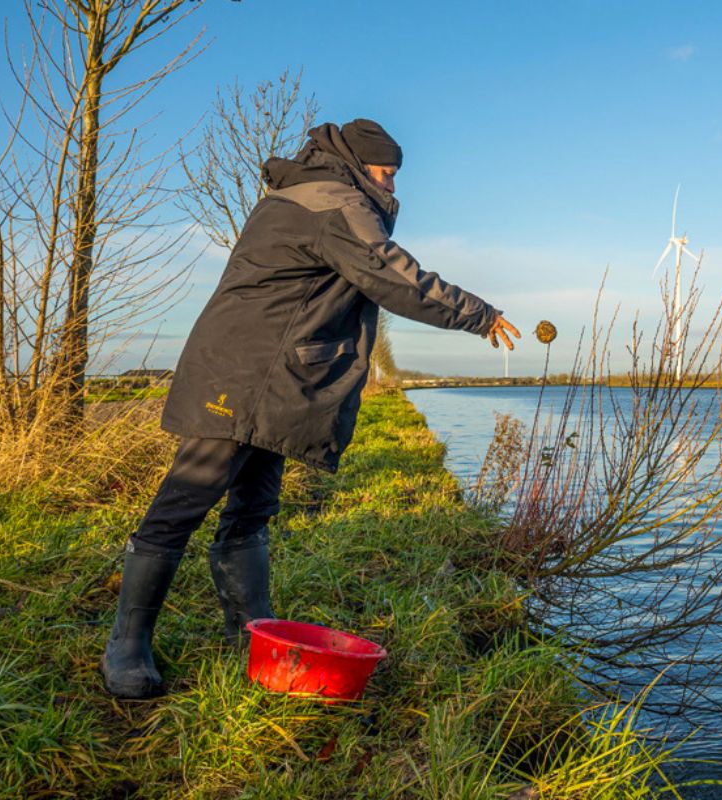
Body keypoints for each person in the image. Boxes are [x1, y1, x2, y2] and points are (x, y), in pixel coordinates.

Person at [101, 119, 519, 698]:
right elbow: (393, 274)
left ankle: (250, 634)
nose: (394, 184)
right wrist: (479, 314)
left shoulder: (313, 192)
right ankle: (126, 644)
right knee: (185, 500)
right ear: (359, 163)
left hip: (275, 376)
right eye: (387, 172)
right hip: (241, 371)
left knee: (254, 506)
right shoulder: (331, 201)